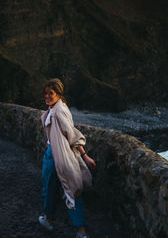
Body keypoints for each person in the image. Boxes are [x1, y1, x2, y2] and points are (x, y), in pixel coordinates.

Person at [39, 78, 96, 238]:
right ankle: (79, 230)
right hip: (58, 154)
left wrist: (85, 156)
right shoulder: (57, 108)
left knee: (55, 189)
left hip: (58, 156)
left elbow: (72, 135)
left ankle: (51, 221)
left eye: (51, 93)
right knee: (71, 189)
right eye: (46, 93)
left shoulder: (58, 112)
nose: (47, 96)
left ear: (58, 94)